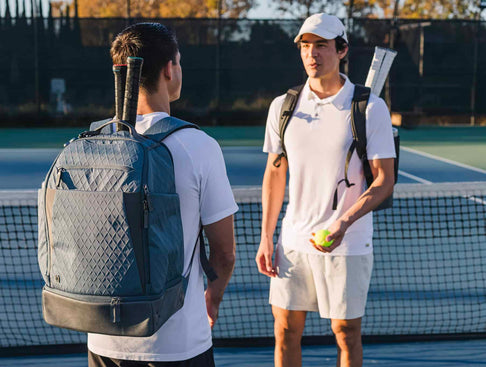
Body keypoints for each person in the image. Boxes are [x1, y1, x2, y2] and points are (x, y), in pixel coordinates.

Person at [88, 23, 238, 367]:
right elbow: (225, 253)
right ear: (170, 69)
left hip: (102, 339)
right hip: (178, 342)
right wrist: (210, 300)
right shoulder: (198, 146)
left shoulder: (93, 143)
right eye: (179, 61)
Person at [255, 13, 396, 367]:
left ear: (342, 50)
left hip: (347, 241)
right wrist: (266, 236)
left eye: (321, 45)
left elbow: (384, 181)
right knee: (285, 330)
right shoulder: (283, 107)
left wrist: (342, 223)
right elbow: (275, 174)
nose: (312, 54)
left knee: (346, 332)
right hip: (293, 240)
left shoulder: (370, 108)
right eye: (305, 46)